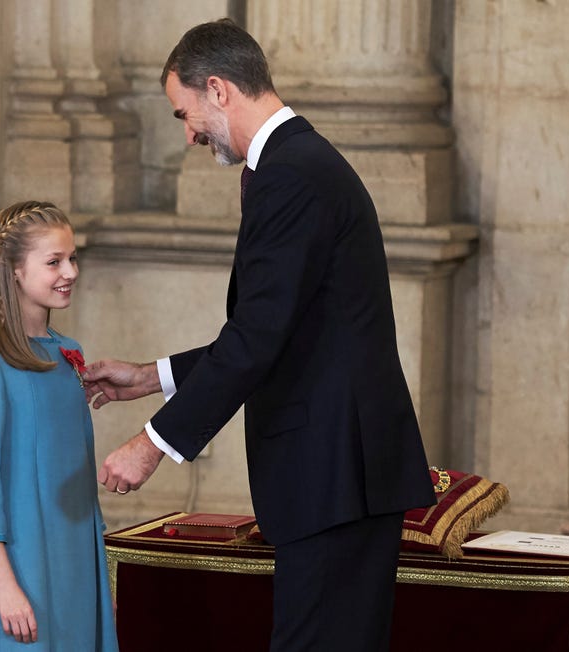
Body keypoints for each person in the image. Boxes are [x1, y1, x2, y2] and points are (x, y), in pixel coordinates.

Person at [83, 19, 436, 651]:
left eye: (184, 113)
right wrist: (150, 377)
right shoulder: (294, 164)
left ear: (218, 89)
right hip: (337, 475)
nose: (188, 134)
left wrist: (152, 443)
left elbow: (257, 339)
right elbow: (279, 333)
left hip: (334, 476)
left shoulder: (291, 174)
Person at [0, 200, 118, 651]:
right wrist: (5, 587)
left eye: (72, 258)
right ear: (14, 271)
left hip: (70, 555)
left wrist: (99, 573)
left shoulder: (67, 353)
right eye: (54, 261)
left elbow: (76, 477)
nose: (71, 271)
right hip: (12, 560)